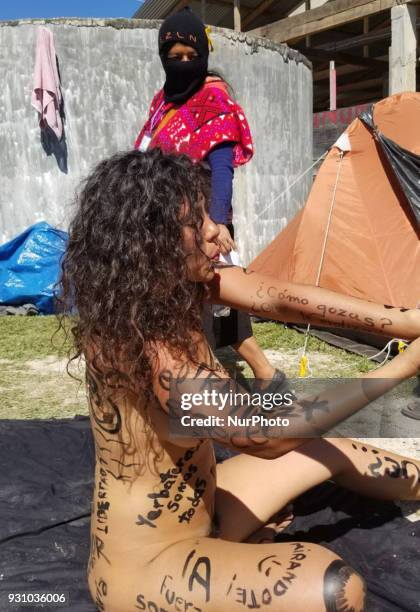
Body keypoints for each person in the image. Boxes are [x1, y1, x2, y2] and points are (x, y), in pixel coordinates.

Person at [60, 149, 420, 612]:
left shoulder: (177, 287)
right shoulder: (149, 350)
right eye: (197, 223)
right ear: (151, 243)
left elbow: (283, 299)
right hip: (149, 565)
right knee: (338, 589)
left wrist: (406, 321)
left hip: (206, 509)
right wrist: (403, 367)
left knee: (336, 448)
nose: (216, 231)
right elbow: (267, 436)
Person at [134, 7, 283, 386]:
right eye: (174, 57)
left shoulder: (213, 100)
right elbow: (146, 160)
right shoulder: (161, 105)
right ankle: (208, 376)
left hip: (203, 217)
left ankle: (264, 377)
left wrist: (216, 224)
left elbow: (222, 170)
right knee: (184, 302)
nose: (183, 64)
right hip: (166, 219)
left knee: (222, 298)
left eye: (190, 56)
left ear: (203, 56)